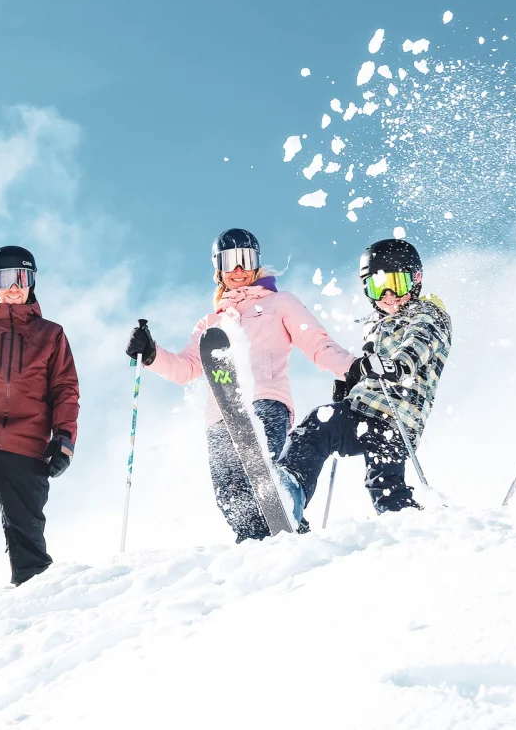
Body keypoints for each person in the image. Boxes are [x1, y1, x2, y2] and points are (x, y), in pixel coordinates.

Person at [126, 228, 356, 542]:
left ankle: (283, 513)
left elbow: (317, 344)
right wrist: (151, 354)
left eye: (245, 260)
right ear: (218, 268)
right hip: (220, 419)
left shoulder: (280, 303)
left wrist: (352, 368)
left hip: (265, 402)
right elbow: (187, 368)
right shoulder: (211, 324)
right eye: (229, 261)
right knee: (230, 498)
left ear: (257, 264)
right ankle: (266, 541)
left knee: (257, 479)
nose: (237, 270)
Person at [276, 238, 452, 520]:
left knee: (384, 486)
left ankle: (412, 521)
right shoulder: (375, 324)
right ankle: (290, 490)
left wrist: (395, 366)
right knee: (317, 426)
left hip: (397, 420)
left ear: (416, 279)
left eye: (398, 283)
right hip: (360, 411)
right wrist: (352, 386)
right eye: (377, 286)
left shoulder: (428, 315)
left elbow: (417, 347)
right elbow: (370, 367)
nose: (389, 295)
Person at [0, 246, 79, 585]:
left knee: (27, 536)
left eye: (23, 278)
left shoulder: (51, 334)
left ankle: (35, 606)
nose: (15, 286)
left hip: (26, 448)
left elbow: (65, 389)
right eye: (6, 278)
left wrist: (64, 438)